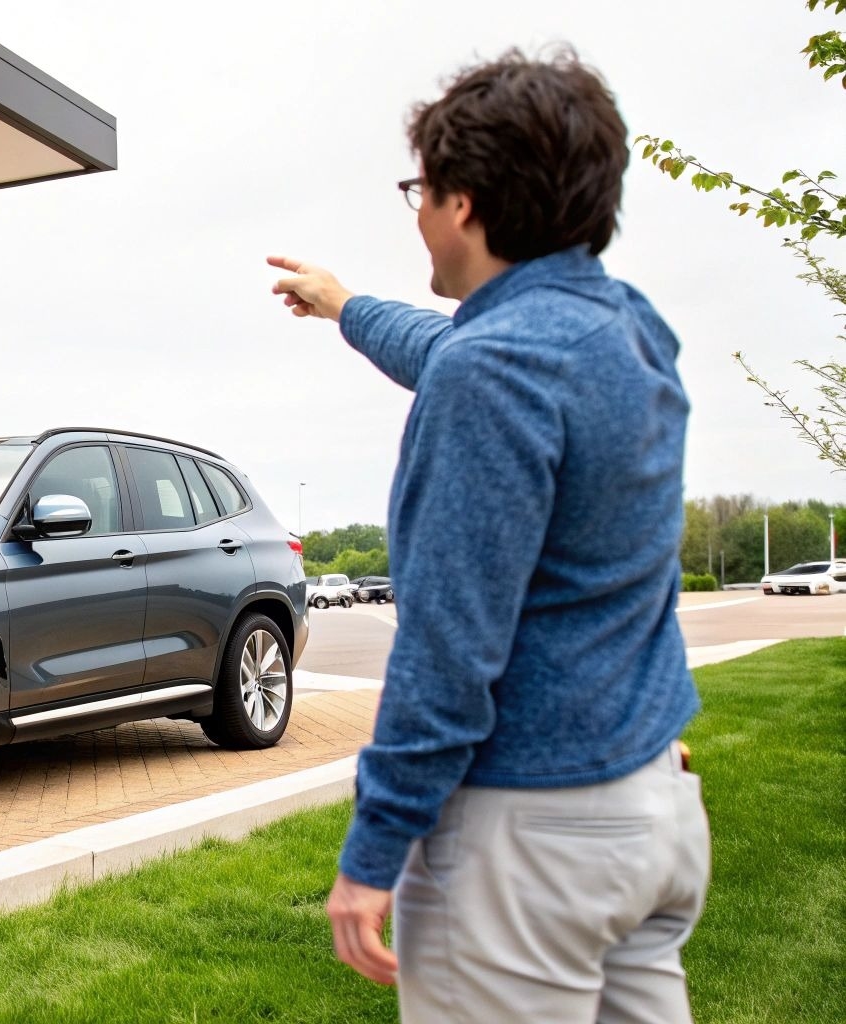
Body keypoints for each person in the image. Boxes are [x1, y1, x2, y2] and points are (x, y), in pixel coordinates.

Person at [269, 49, 711, 1023]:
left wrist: (373, 851)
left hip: (531, 842)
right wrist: (345, 306)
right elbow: (449, 347)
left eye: (418, 191)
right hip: (650, 806)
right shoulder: (622, 329)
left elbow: (446, 652)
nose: (417, 211)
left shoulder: (492, 373)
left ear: (461, 203)